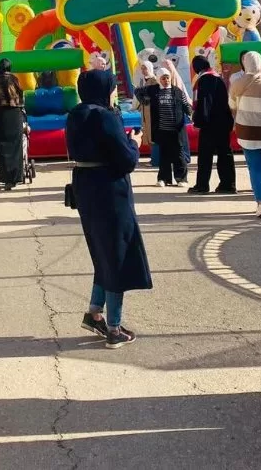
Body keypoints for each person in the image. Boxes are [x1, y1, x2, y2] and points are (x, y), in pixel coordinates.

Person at [67, 69, 152, 348]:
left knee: (102, 252)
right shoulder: (105, 116)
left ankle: (94, 312)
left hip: (86, 186)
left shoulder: (76, 114)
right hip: (109, 190)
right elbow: (126, 159)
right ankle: (114, 327)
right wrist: (134, 143)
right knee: (118, 255)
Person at [228, 51, 261, 216]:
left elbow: (232, 106)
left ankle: (260, 204)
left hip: (246, 131)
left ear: (245, 63)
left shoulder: (237, 84)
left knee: (254, 168)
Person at [135, 64, 191, 188]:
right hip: (161, 129)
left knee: (179, 154)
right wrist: (144, 100)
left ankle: (181, 178)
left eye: (167, 78)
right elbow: (137, 91)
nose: (166, 81)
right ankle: (164, 179)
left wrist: (191, 114)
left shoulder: (177, 91)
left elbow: (185, 105)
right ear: (159, 79)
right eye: (163, 78)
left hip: (176, 130)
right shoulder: (153, 89)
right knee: (164, 155)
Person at [189, 55, 236, 194]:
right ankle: (228, 184)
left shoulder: (205, 79)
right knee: (225, 154)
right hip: (224, 122)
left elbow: (205, 102)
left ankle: (202, 185)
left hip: (210, 123)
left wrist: (199, 121)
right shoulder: (217, 77)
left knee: (205, 155)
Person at [0, 58, 26, 191]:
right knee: (16, 145)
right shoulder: (14, 79)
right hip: (15, 115)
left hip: (0, 114)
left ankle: (7, 179)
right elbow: (21, 95)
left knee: (2, 146)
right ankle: (16, 177)